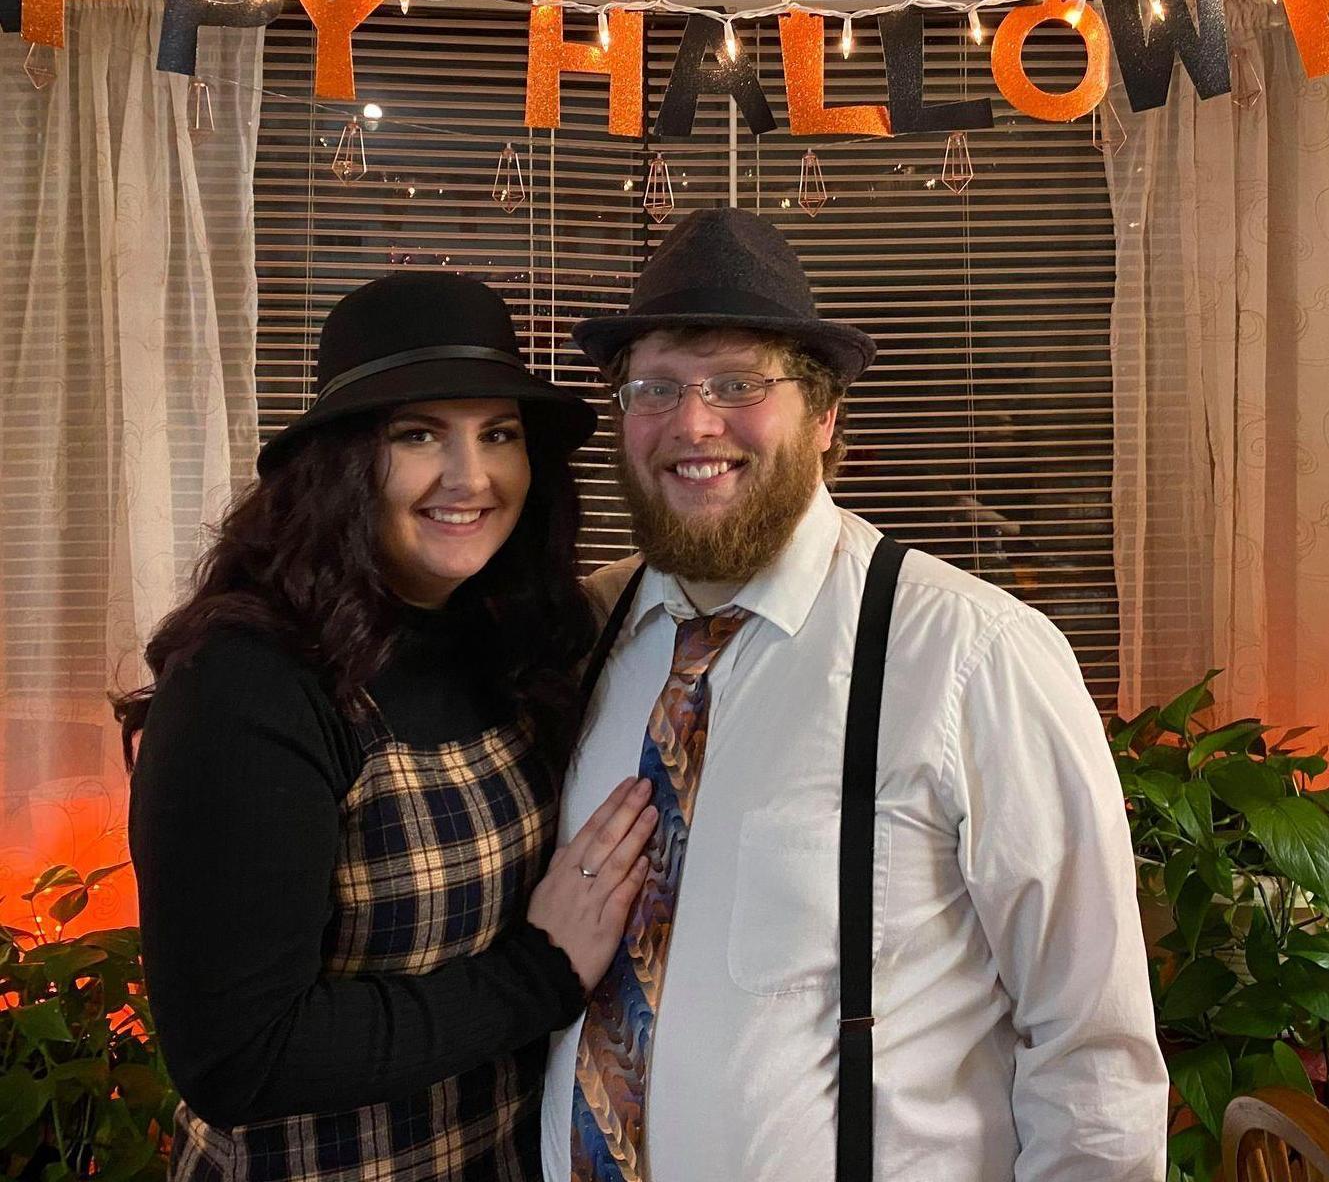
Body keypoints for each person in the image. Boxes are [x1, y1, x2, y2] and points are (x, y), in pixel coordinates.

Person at [540, 208, 1169, 1181]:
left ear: (826, 414)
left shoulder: (973, 655)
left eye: (739, 383)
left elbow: (1093, 1051)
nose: (693, 423)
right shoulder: (582, 636)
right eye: (655, 386)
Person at [119, 272, 655, 1182]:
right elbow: (238, 1058)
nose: (470, 477)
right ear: (341, 463)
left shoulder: (509, 639)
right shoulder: (248, 683)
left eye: (498, 434)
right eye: (418, 435)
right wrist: (543, 973)